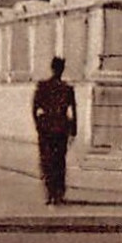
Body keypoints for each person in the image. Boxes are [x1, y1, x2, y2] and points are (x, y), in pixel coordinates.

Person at [31, 56, 78, 206]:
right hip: (61, 127)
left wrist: (38, 124)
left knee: (47, 161)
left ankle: (50, 193)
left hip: (46, 127)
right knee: (59, 161)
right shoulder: (67, 89)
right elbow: (74, 111)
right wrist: (74, 129)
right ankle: (58, 193)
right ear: (62, 69)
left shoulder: (43, 86)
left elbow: (34, 109)